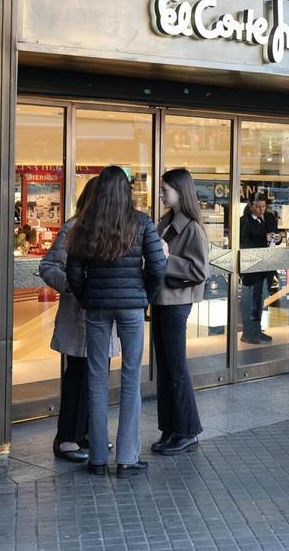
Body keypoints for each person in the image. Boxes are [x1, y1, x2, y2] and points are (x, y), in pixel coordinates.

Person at [68, 166, 166, 478]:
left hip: (96, 307)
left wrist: (88, 296)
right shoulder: (142, 222)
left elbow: (73, 270)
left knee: (97, 379)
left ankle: (97, 458)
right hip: (131, 309)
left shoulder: (85, 224)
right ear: (127, 192)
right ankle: (126, 458)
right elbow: (158, 266)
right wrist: (144, 296)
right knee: (131, 378)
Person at [151, 169, 209, 456]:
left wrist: (166, 258)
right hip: (161, 300)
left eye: (165, 189)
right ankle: (171, 428)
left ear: (180, 190)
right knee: (165, 368)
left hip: (176, 302)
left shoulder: (192, 228)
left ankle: (187, 431)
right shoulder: (166, 221)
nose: (161, 193)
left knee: (176, 368)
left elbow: (200, 270)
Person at [39, 180, 97, 464]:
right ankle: (67, 438)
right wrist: (74, 285)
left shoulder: (109, 231)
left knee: (93, 378)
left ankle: (87, 434)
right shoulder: (73, 228)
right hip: (78, 317)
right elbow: (48, 265)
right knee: (78, 376)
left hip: (100, 318)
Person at [239, 192, 279, 344]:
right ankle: (248, 333)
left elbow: (276, 235)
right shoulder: (244, 221)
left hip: (266, 265)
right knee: (250, 300)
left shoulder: (269, 217)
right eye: (258, 207)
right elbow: (243, 243)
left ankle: (256, 330)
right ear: (251, 207)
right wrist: (264, 238)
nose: (261, 209)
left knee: (261, 298)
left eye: (263, 206)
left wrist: (278, 238)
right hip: (251, 266)